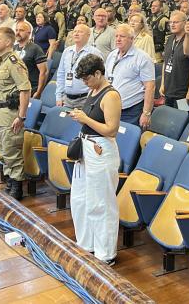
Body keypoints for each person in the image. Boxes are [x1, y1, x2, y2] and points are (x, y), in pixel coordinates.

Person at [69, 53, 122, 266]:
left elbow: (111, 130)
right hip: (86, 148)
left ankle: (105, 253)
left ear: (98, 73)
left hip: (101, 150)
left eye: (87, 78)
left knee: (101, 202)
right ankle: (86, 243)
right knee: (81, 199)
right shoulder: (93, 89)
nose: (85, 83)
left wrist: (84, 118)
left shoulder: (111, 96)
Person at [0, 26, 32, 199]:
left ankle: (16, 188)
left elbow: (25, 90)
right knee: (2, 152)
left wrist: (21, 116)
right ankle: (9, 182)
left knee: (12, 153)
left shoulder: (15, 62)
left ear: (8, 42)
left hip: (10, 115)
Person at [104, 25, 156, 126]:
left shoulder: (142, 58)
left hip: (131, 111)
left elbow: (150, 87)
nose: (118, 39)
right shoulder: (112, 55)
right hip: (111, 108)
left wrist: (146, 113)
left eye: (122, 36)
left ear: (132, 39)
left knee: (126, 140)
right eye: (116, 36)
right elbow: (106, 81)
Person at [56, 24, 103, 109]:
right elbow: (61, 74)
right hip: (66, 99)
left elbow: (100, 78)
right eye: (75, 31)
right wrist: (59, 96)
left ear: (88, 35)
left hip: (85, 100)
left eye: (80, 32)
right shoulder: (67, 51)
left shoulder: (95, 53)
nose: (76, 34)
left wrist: (91, 98)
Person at [160, 11, 189, 109]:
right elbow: (165, 62)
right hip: (169, 89)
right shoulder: (170, 39)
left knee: (185, 120)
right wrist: (162, 84)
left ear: (184, 23)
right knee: (170, 120)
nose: (172, 25)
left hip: (184, 93)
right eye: (171, 22)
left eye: (176, 22)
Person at [14, 20, 48, 100]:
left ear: (29, 33)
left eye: (21, 30)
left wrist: (39, 92)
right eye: (16, 30)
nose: (18, 32)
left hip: (30, 89)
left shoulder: (35, 48)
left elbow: (44, 72)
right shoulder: (14, 48)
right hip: (15, 87)